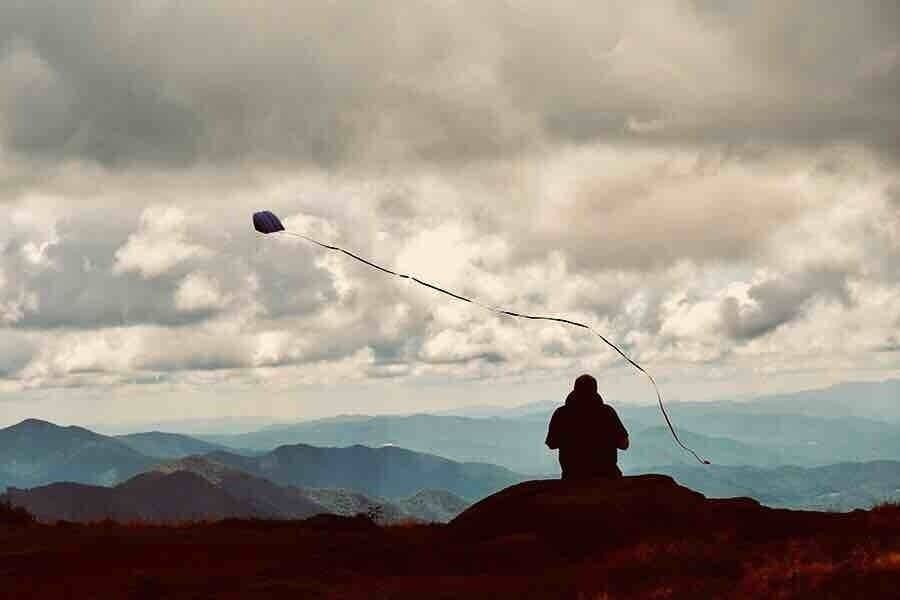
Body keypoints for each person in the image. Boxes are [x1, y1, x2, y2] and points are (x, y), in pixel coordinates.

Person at [545, 374, 629, 480]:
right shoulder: (607, 412)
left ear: (575, 389)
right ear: (595, 390)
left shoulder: (561, 414)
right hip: (606, 475)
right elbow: (624, 444)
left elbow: (552, 444)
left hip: (572, 476)